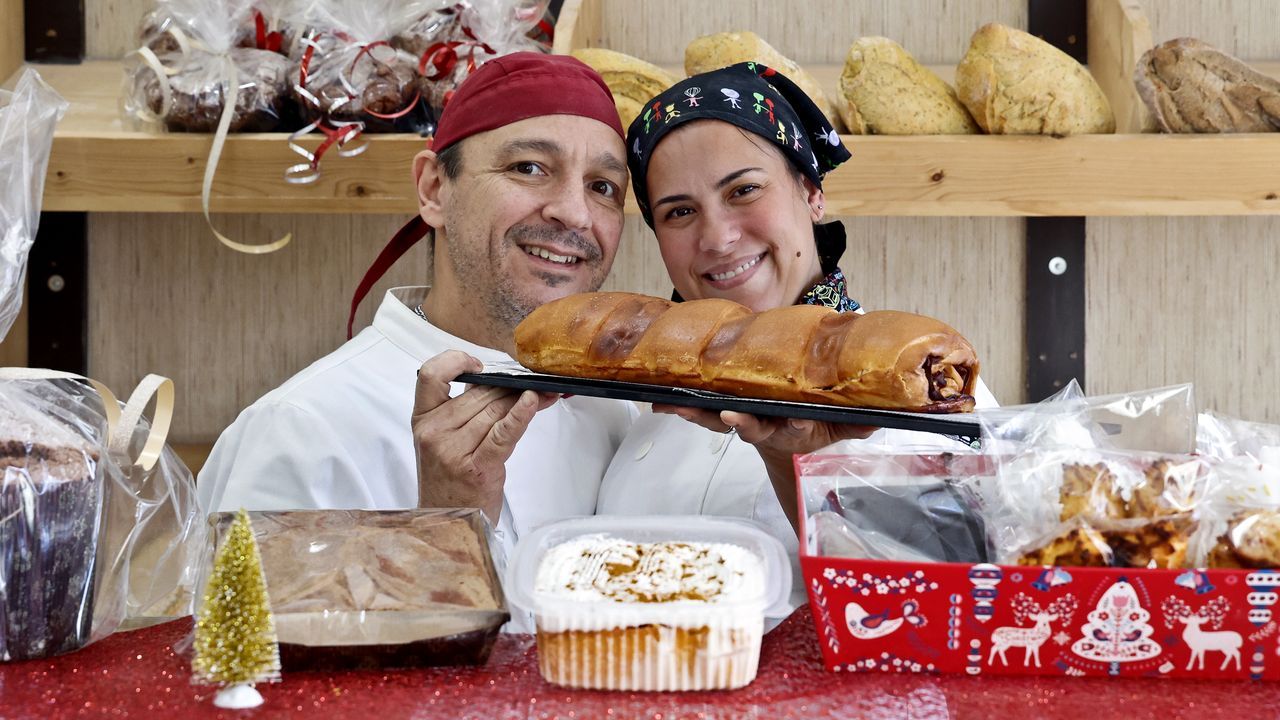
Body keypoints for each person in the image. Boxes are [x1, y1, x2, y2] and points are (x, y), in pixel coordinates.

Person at [197, 54, 638, 572]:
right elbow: (246, 650)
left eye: (602, 186)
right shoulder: (301, 433)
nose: (575, 212)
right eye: (529, 168)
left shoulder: (624, 412)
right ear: (434, 189)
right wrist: (442, 525)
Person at [592, 62, 998, 605]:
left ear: (810, 192)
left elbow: (943, 606)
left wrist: (789, 460)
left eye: (743, 191)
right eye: (680, 211)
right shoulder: (645, 414)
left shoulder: (922, 385)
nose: (717, 237)